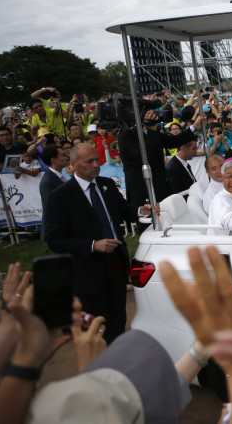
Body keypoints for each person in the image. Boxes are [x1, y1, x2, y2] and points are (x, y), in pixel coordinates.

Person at [44, 144, 156, 342]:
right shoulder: (60, 197)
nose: (96, 165)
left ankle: (118, 352)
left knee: (118, 316)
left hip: (115, 262)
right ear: (73, 164)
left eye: (97, 160)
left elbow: (123, 210)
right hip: (87, 270)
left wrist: (141, 211)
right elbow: (54, 239)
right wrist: (93, 245)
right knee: (94, 322)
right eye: (89, 161)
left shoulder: (106, 185)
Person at [117, 110, 199, 210]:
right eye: (148, 113)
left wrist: (194, 127)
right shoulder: (126, 135)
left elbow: (173, 141)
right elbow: (145, 156)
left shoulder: (150, 131)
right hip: (142, 191)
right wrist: (151, 131)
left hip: (160, 186)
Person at [38, 144, 67, 240]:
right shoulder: (48, 182)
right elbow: (51, 209)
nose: (66, 157)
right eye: (62, 155)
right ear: (53, 160)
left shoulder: (58, 176)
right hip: (57, 231)